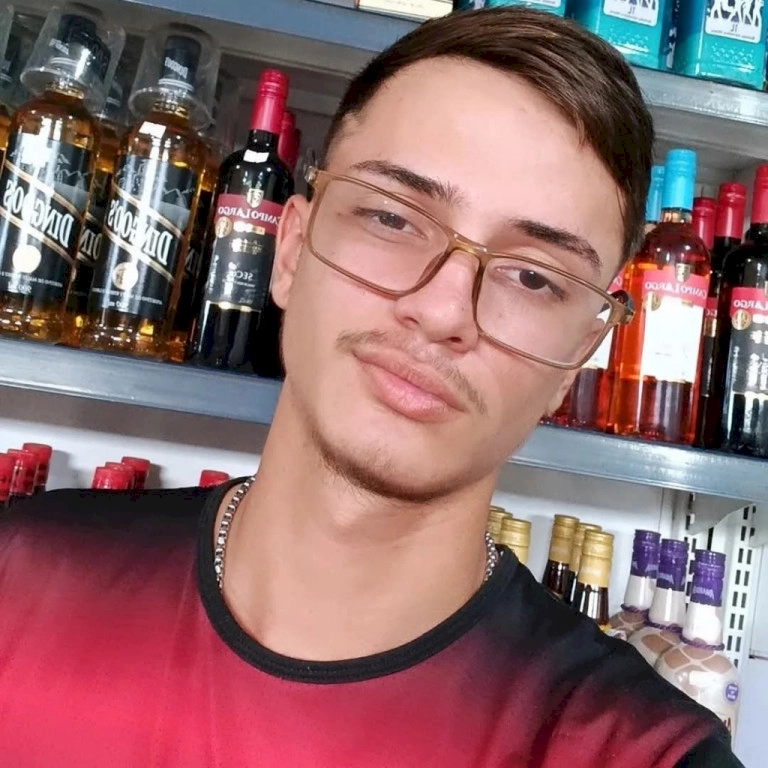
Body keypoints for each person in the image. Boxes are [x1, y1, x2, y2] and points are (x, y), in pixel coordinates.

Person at [0, 7, 744, 767]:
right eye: (392, 218)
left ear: (579, 356)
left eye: (532, 277)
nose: (444, 311)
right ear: (291, 249)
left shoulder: (642, 751)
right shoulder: (18, 575)